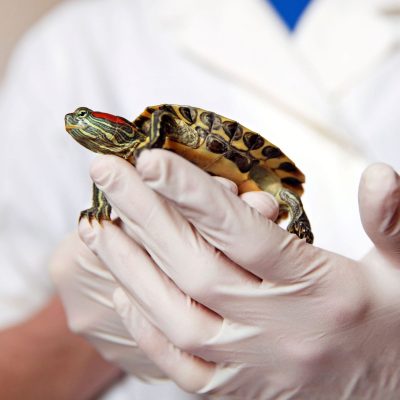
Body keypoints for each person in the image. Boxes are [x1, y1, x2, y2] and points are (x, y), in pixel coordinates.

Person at [1, 0, 399, 398]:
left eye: (87, 116)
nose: (79, 123)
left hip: (252, 168)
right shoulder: (75, 47)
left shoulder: (156, 120)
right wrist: (123, 299)